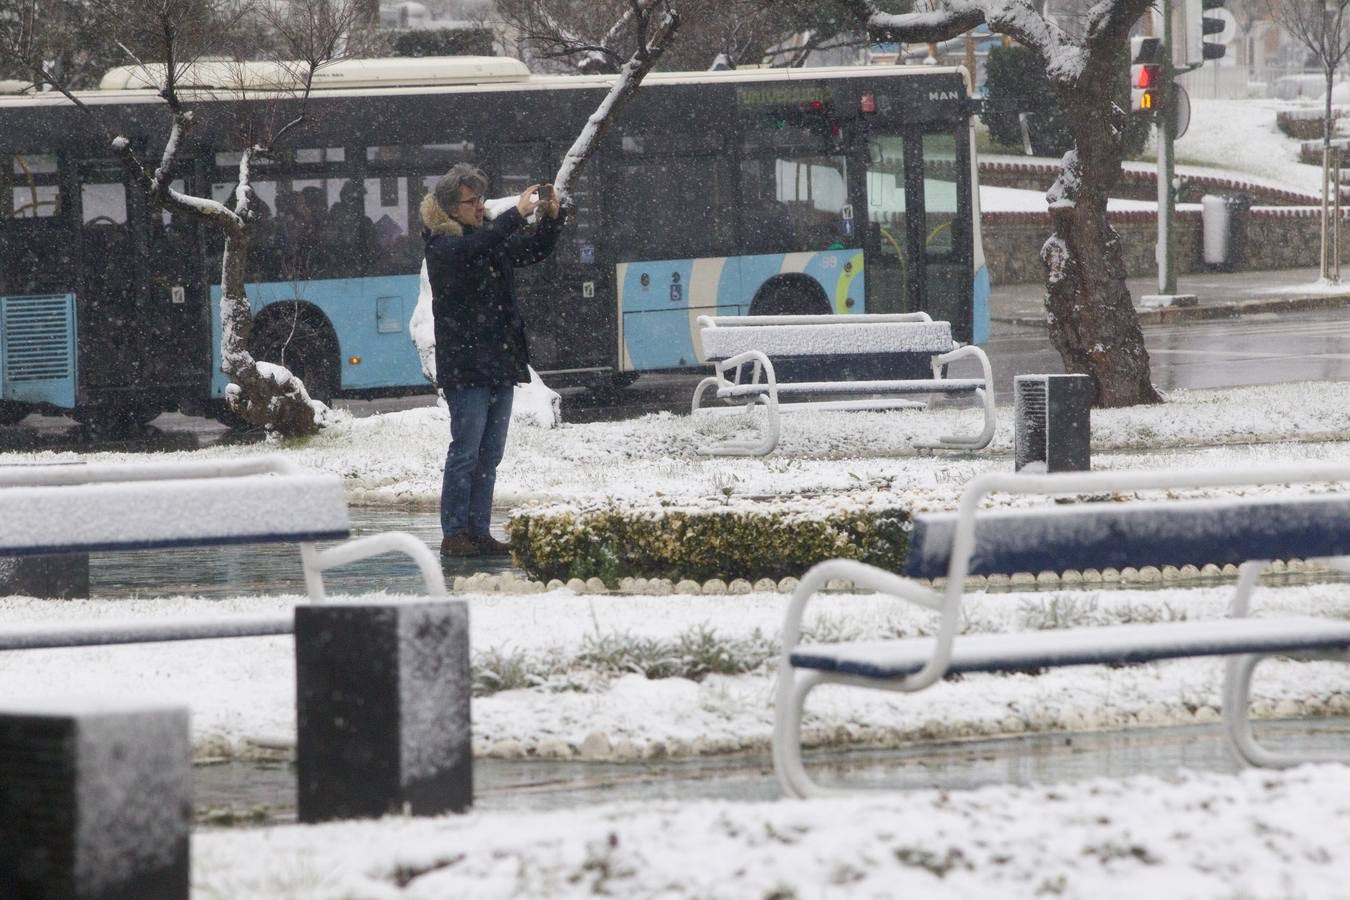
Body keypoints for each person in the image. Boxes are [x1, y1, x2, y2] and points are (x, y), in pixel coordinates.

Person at [422, 163, 562, 558]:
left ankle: (479, 531)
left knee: (490, 454)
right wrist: (516, 214)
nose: (480, 206)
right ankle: (455, 533)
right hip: (466, 364)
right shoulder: (442, 244)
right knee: (466, 450)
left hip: (499, 360)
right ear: (450, 207)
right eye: (472, 201)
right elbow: (474, 248)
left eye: (482, 198)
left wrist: (550, 220)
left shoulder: (486, 237)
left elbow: (532, 250)